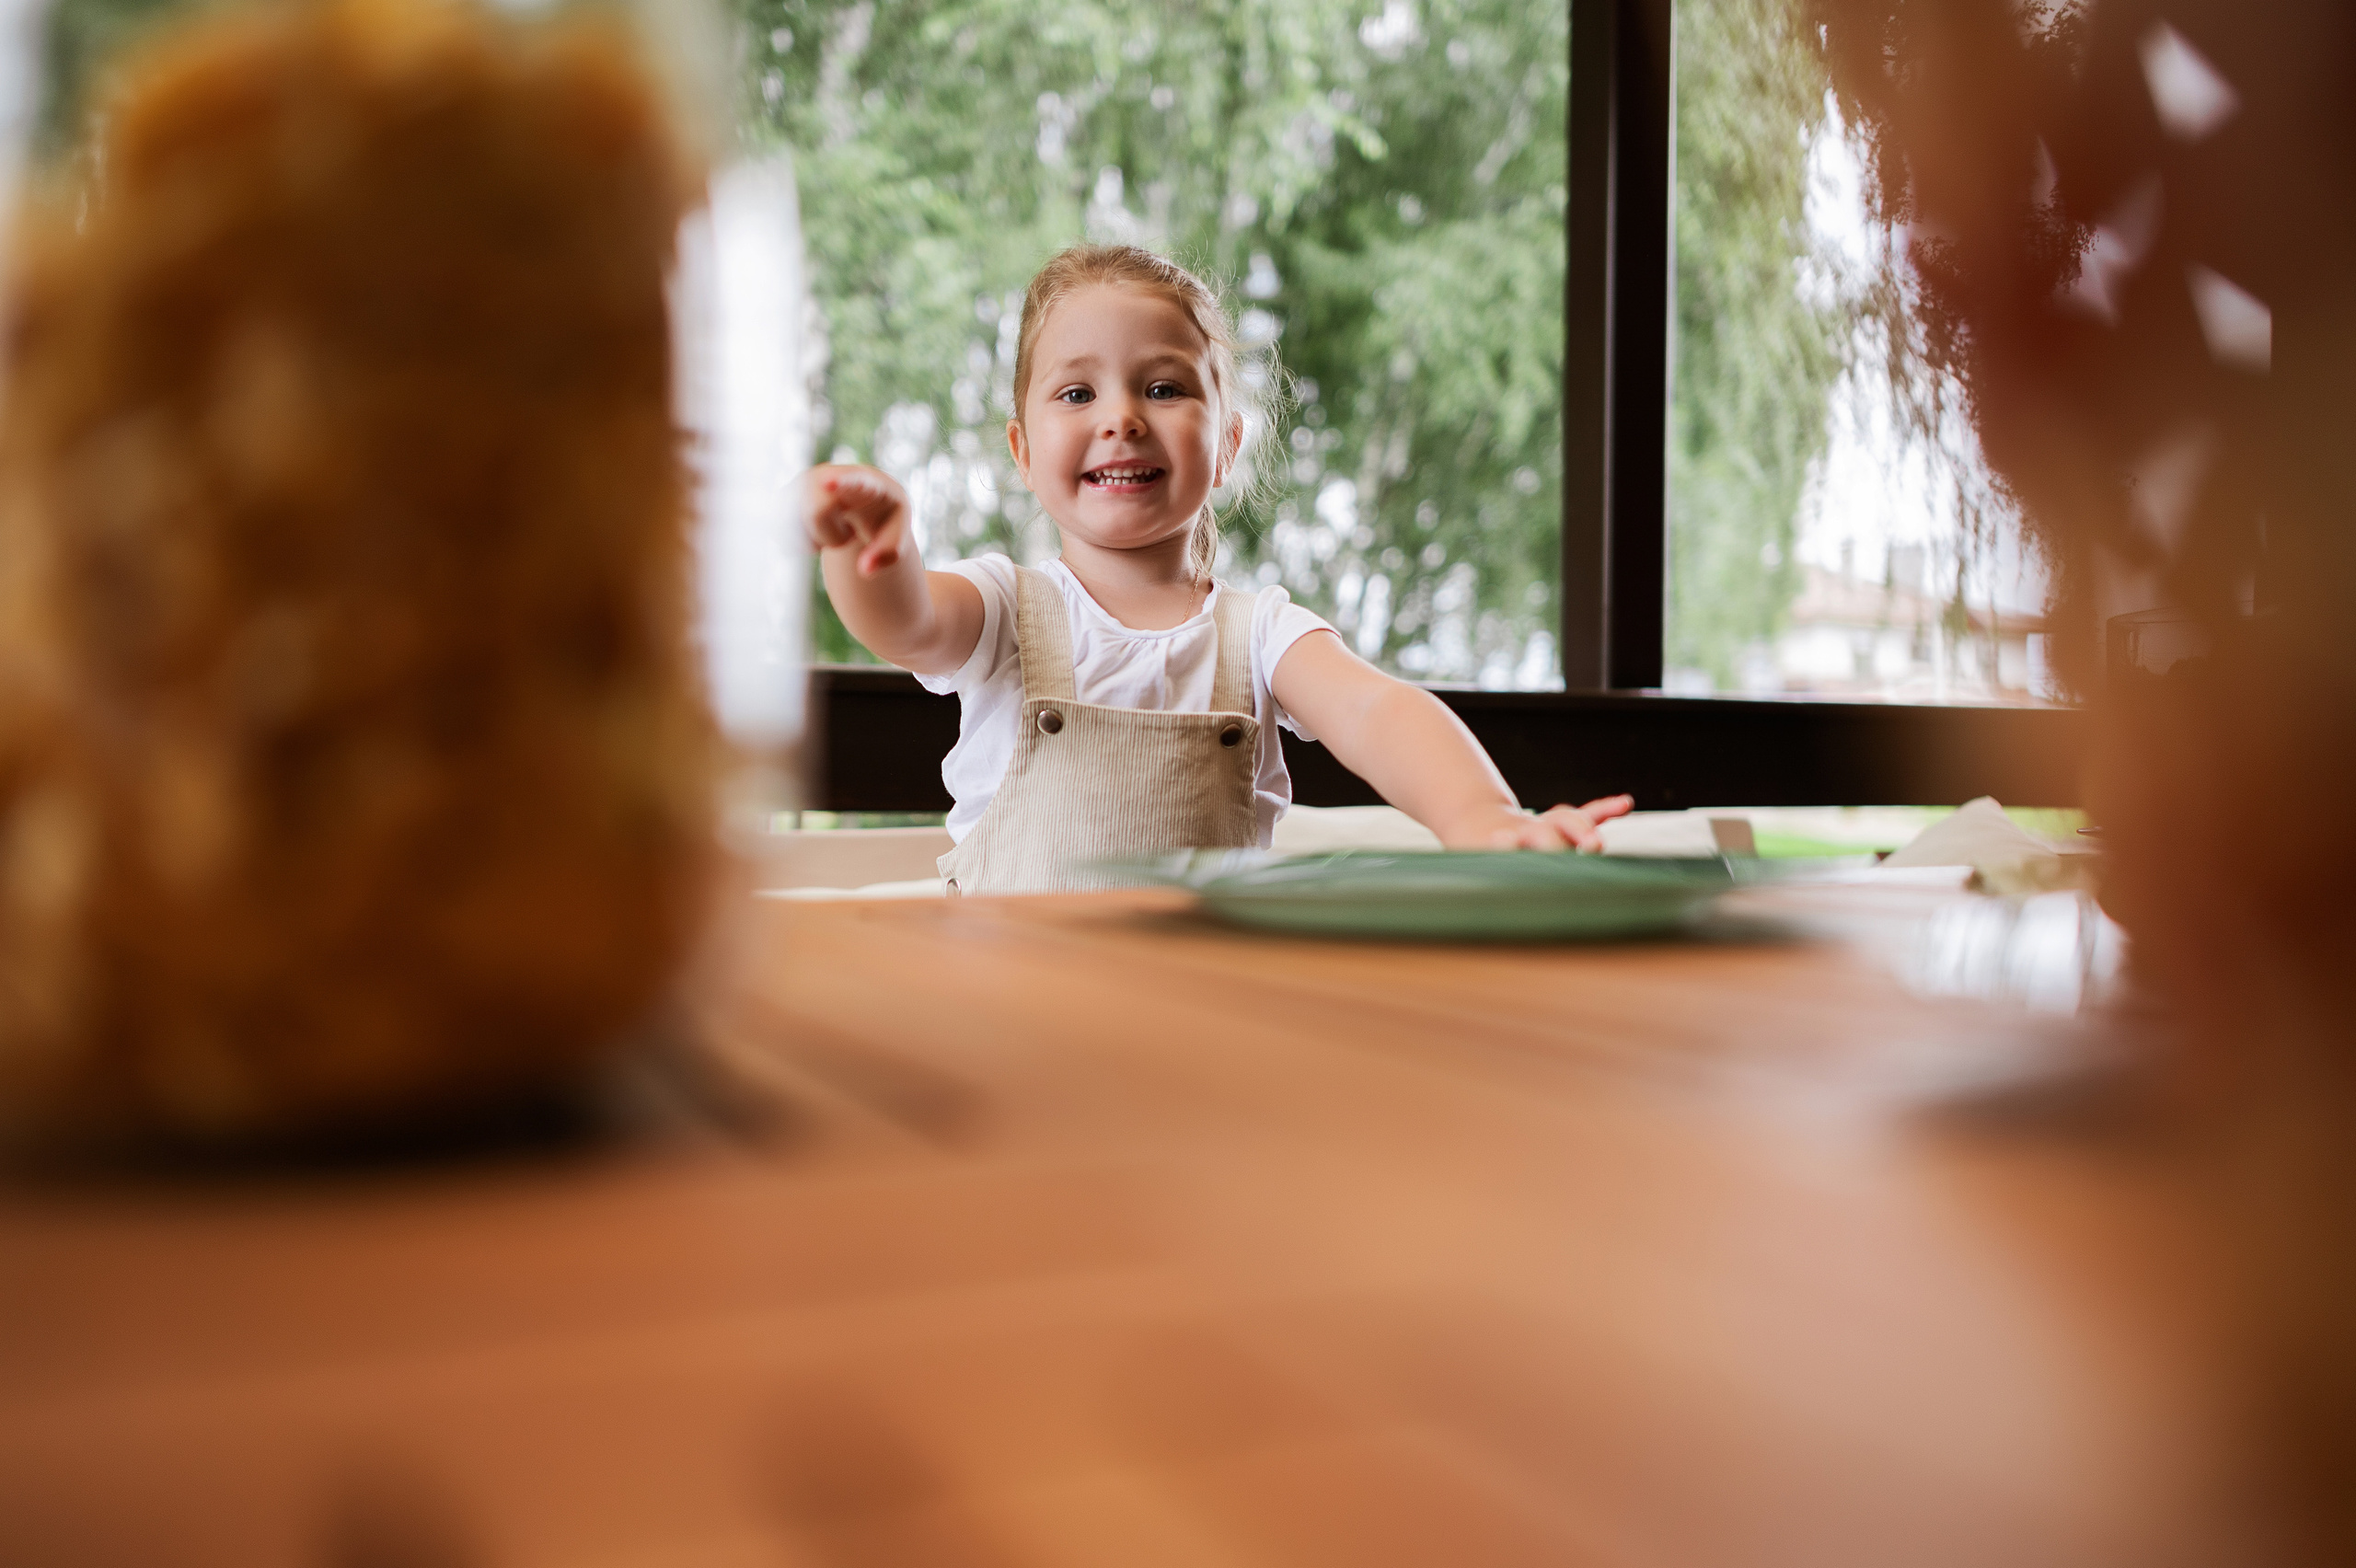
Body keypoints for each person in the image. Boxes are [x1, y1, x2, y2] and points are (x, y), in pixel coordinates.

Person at [802, 244, 1629, 894]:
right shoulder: (1004, 609)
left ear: (1228, 443)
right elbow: (905, 620)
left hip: (1202, 1014)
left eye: (1162, 388)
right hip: (1011, 1010)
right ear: (1022, 450)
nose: (1121, 418)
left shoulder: (1262, 633)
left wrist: (1482, 816)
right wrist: (866, 547)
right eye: (1076, 395)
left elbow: (1378, 712)